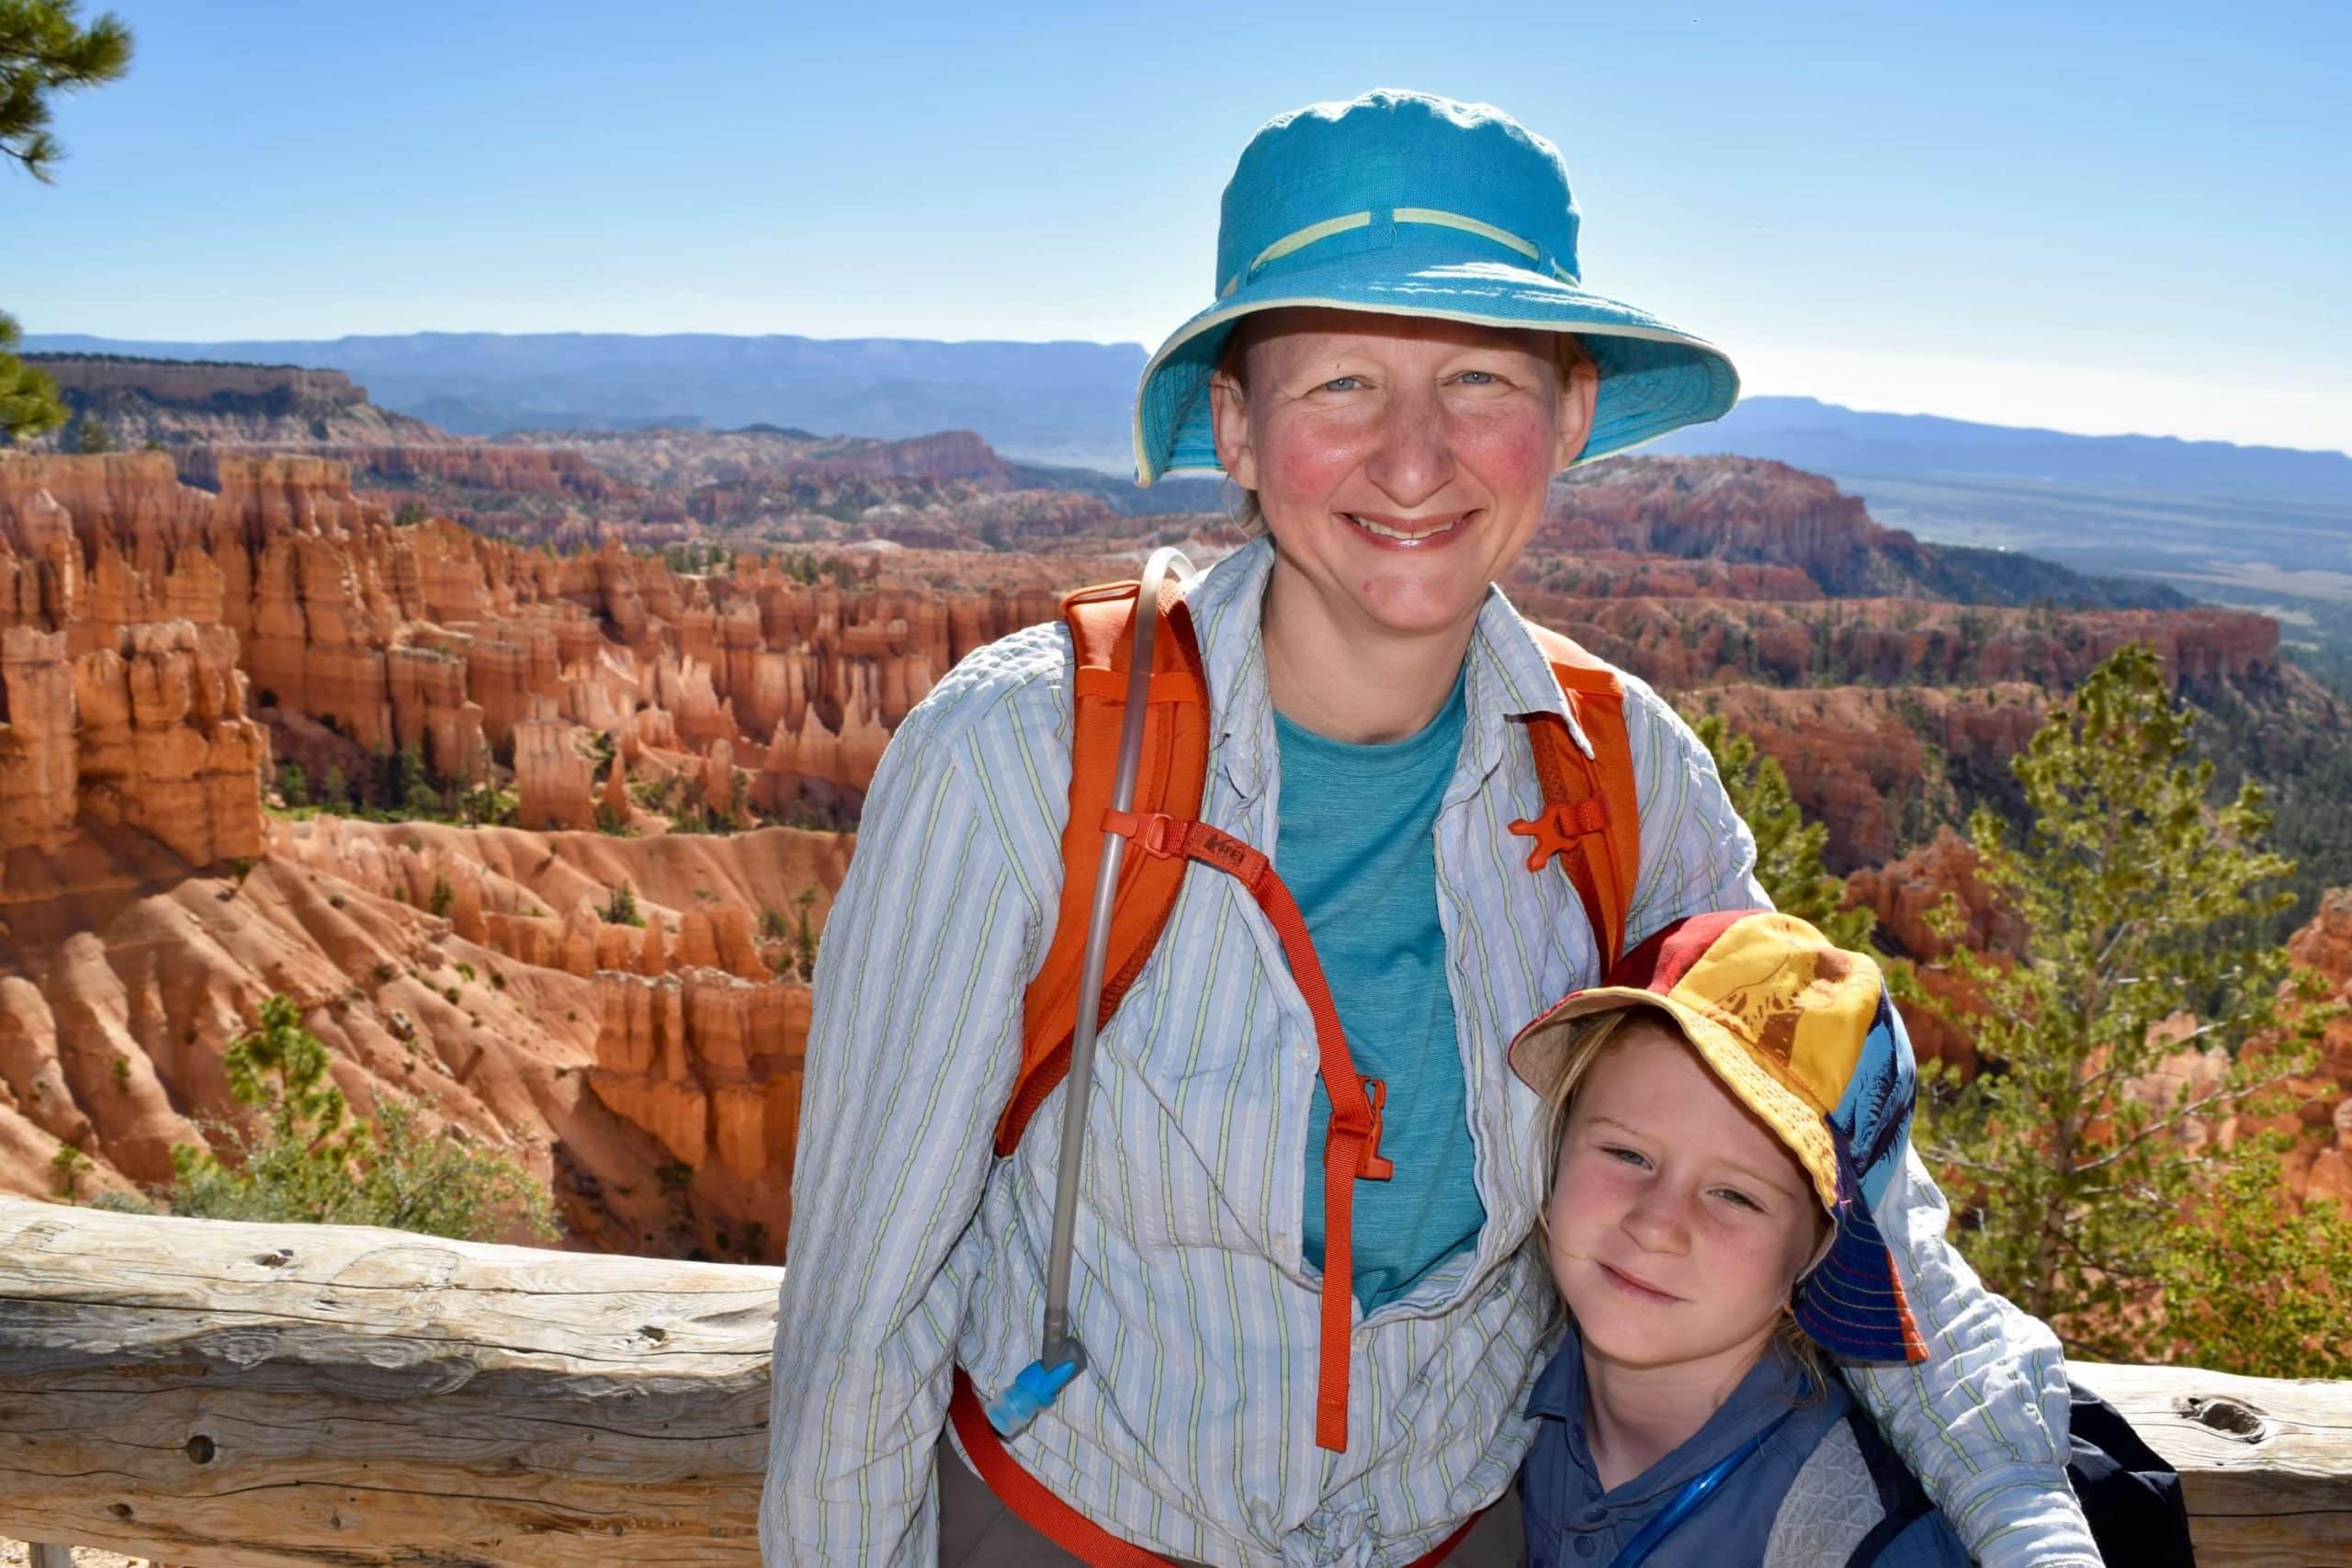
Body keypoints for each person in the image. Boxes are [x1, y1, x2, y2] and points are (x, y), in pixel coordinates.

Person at [762, 88, 2098, 1566]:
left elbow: (1855, 1178)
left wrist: (2031, 1519)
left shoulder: (1625, 773)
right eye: (1340, 382)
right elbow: (863, 1313)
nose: (1414, 461)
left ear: (1570, 414)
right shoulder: (1021, 753)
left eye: (1477, 379)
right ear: (1236, 424)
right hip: (1076, 1531)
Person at [1509, 908, 1971, 1566]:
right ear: (1560, 1141)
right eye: (1627, 1153)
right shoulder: (1490, 1407)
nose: (1657, 1224)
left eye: (1735, 1195)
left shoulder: (1850, 1533)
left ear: (1816, 1250)